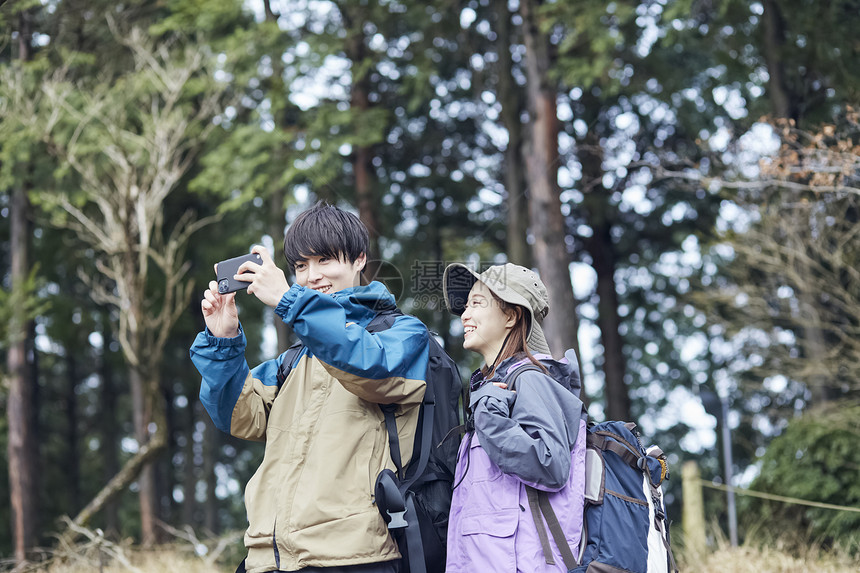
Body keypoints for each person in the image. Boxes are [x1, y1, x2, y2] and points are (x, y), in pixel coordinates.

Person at [190, 202, 430, 573]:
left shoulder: (401, 333)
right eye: (301, 266)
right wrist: (223, 341)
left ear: (359, 259)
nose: (311, 275)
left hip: (355, 557)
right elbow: (238, 418)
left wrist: (291, 301)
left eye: (324, 261)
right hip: (269, 558)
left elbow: (372, 370)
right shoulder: (293, 360)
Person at [442, 262, 586, 572]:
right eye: (465, 305)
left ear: (511, 316)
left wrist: (490, 416)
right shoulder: (493, 389)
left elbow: (552, 464)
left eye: (477, 303)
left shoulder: (529, 380)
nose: (465, 315)